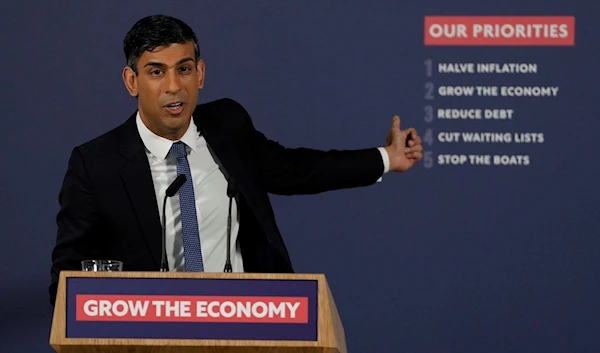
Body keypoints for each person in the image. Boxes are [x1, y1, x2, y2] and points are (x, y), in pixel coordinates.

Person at [49, 14, 423, 306]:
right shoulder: (95, 164)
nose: (173, 86)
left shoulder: (228, 126)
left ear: (201, 73)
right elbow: (68, 280)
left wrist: (386, 158)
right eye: (156, 72)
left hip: (246, 324)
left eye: (184, 68)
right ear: (131, 81)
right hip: (152, 335)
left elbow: (298, 170)